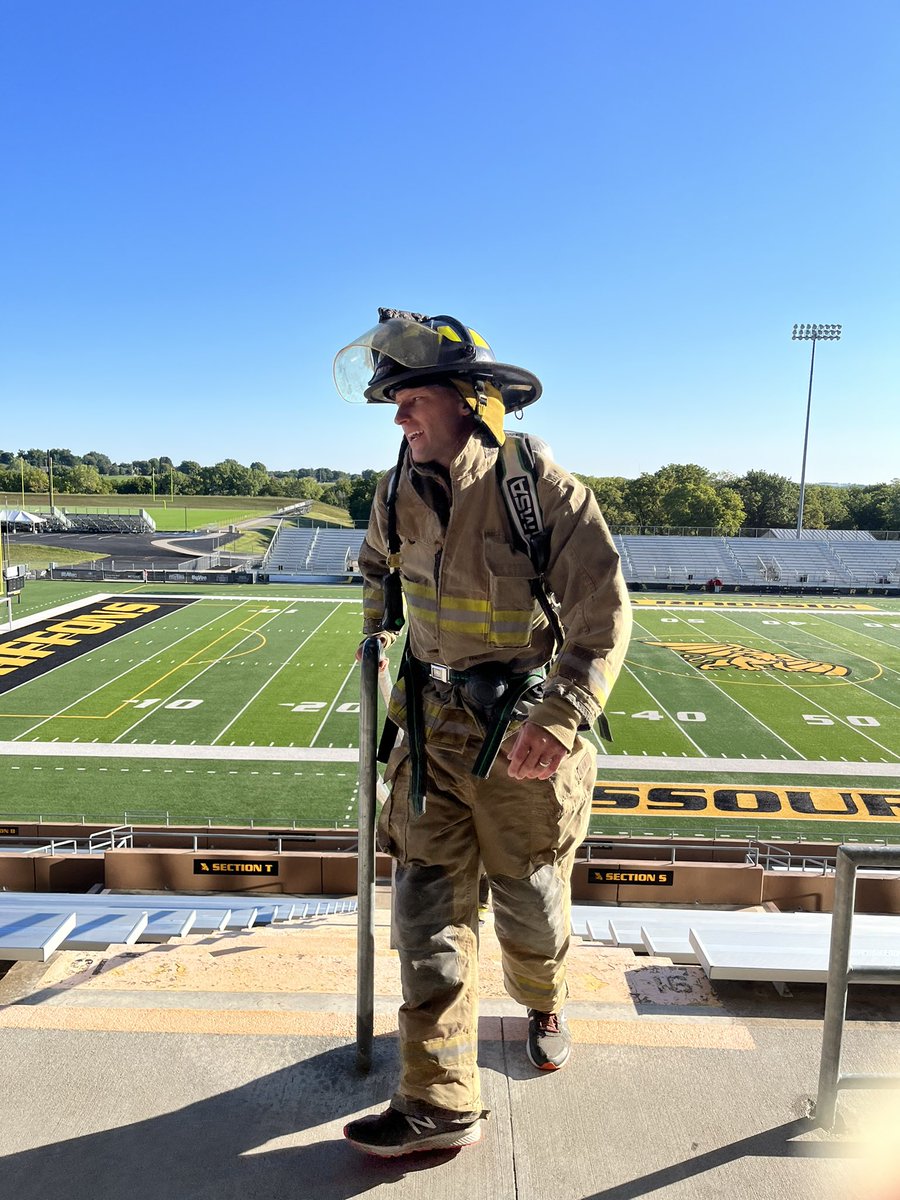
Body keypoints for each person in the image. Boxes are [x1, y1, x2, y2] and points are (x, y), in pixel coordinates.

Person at [334, 309, 632, 1157]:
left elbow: (603, 612)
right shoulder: (394, 488)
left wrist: (562, 718)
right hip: (430, 740)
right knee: (426, 915)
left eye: (412, 399)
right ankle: (438, 1101)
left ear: (467, 399)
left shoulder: (538, 490)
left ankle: (544, 1001)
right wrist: (376, 629)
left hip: (521, 738)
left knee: (529, 908)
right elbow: (374, 563)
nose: (399, 417)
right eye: (393, 402)